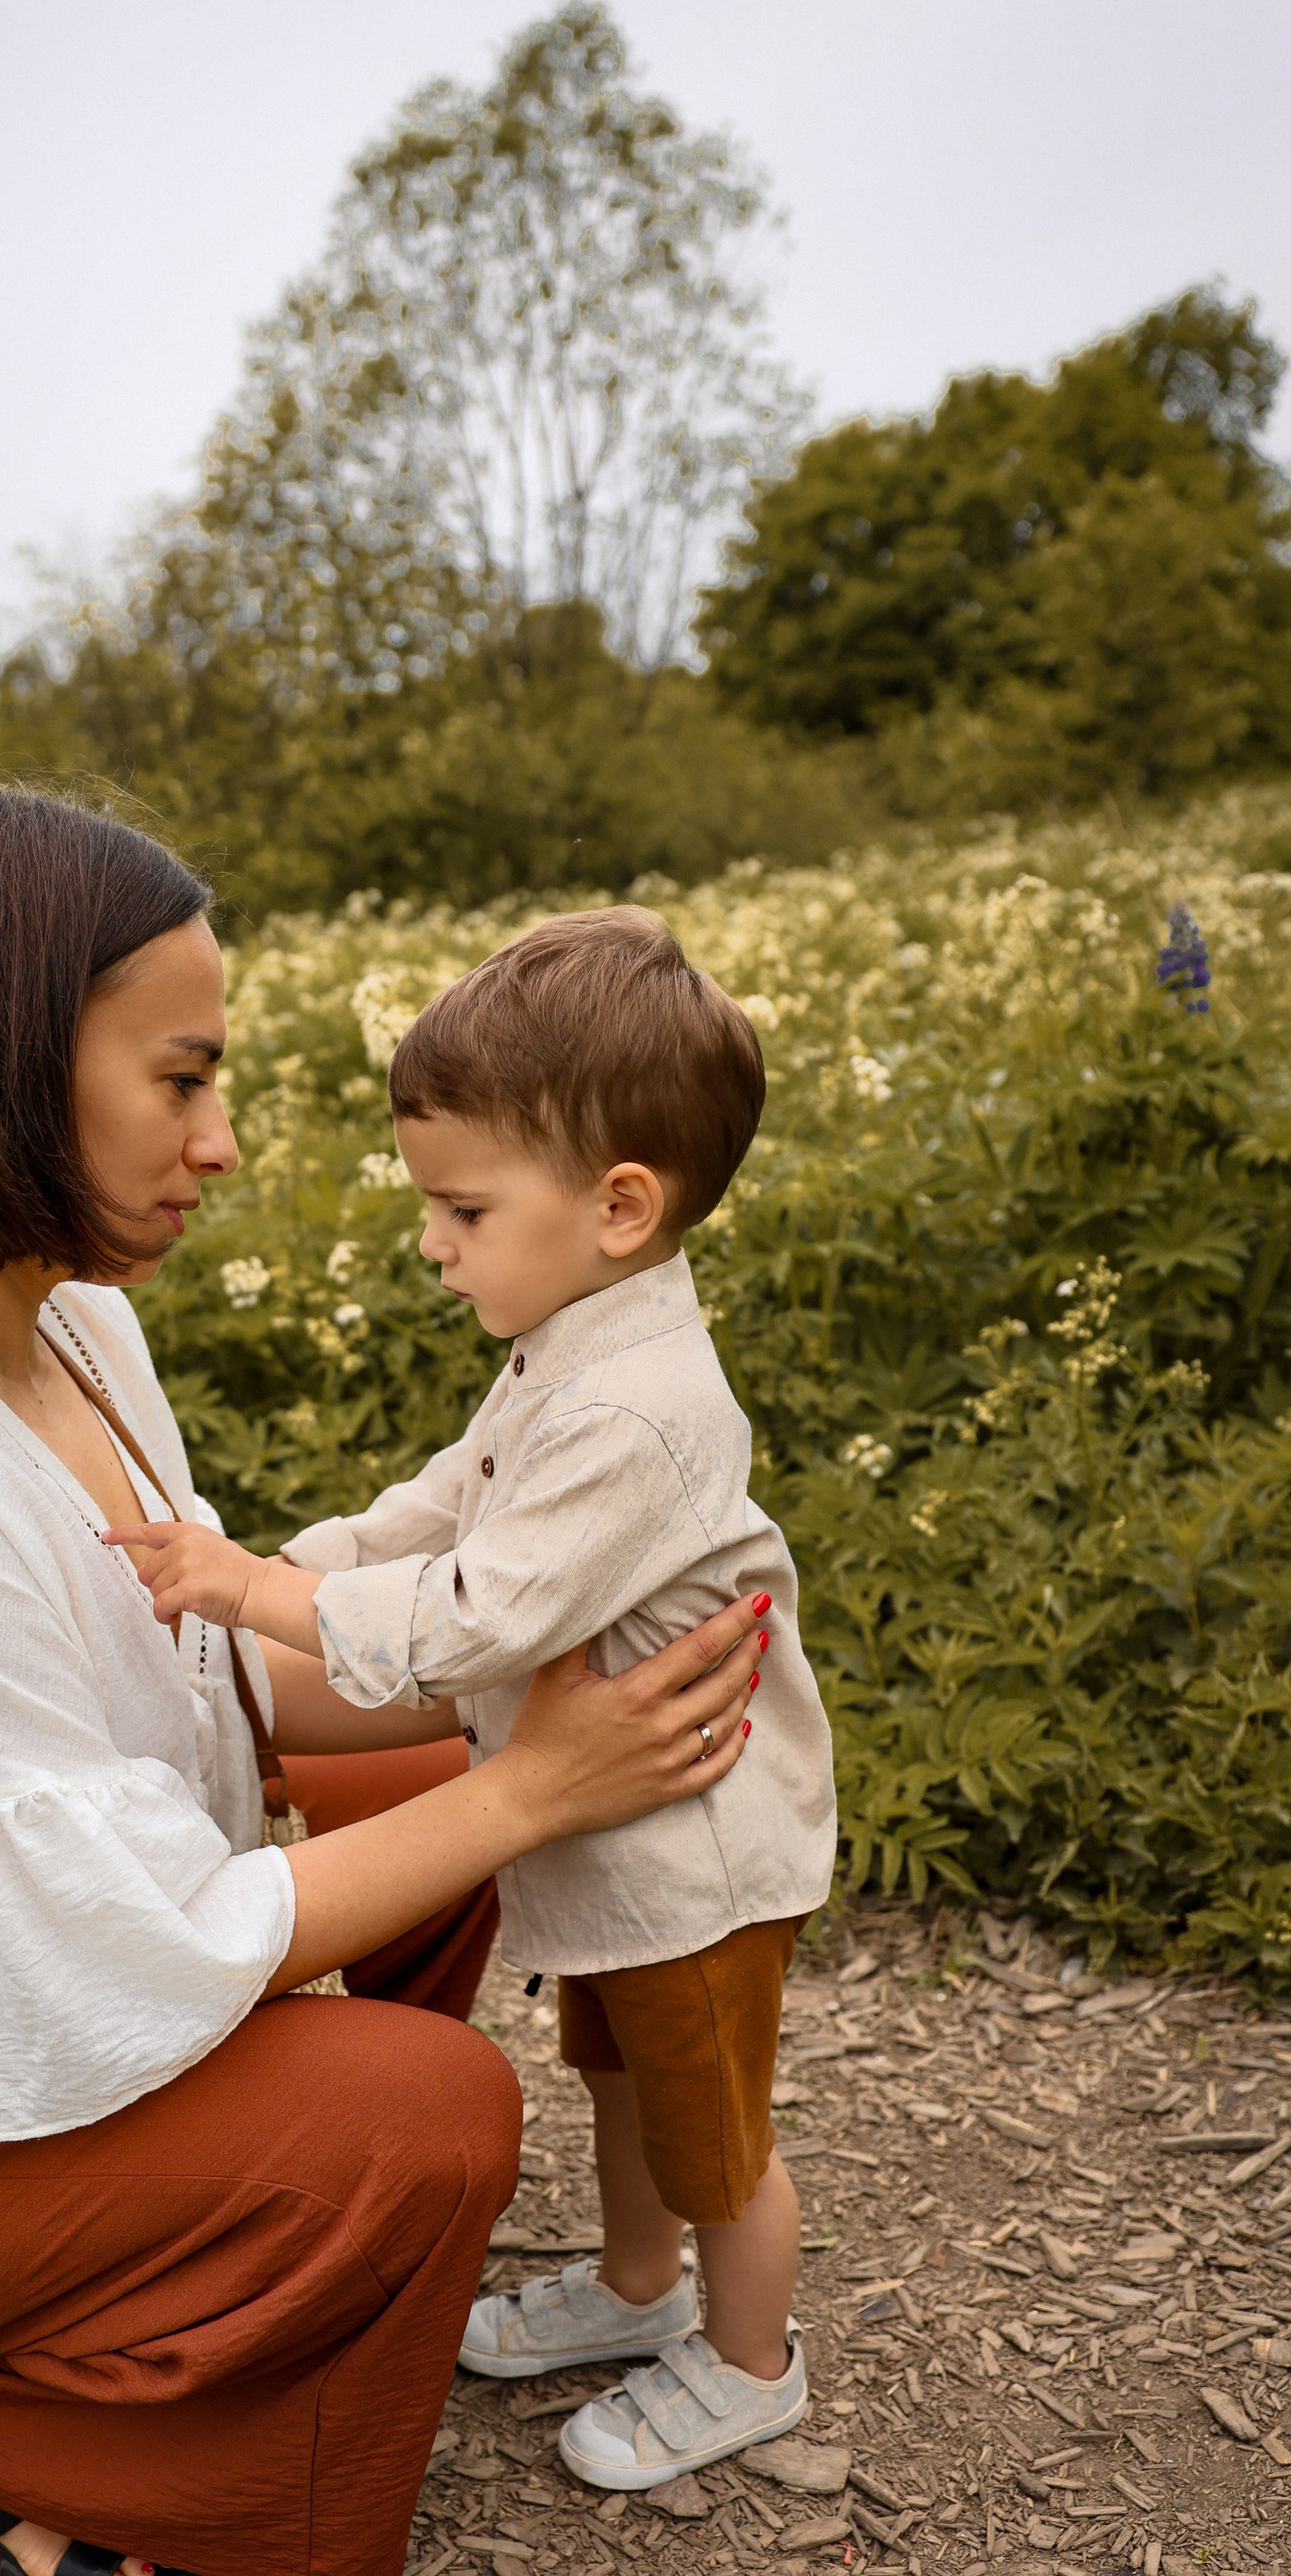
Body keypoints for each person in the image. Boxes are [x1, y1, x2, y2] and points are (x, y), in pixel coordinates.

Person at [0, 799, 765, 2576]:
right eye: (182, 1077)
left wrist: (510, 1708)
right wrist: (539, 1785)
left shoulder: (65, 1323)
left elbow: (213, 1675)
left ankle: (150, 2283)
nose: (220, 1146)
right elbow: (121, 1930)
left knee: (427, 1748)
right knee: (429, 2116)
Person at [112, 906, 837, 2494]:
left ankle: (746, 2363)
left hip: (692, 1851)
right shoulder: (565, 1345)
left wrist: (258, 1598)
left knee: (716, 2141)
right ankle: (641, 2299)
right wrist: (291, 1567)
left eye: (459, 1206)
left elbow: (475, 1614)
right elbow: (445, 1505)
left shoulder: (634, 1412)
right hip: (616, 1837)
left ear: (618, 1206)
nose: (431, 1242)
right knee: (620, 2078)